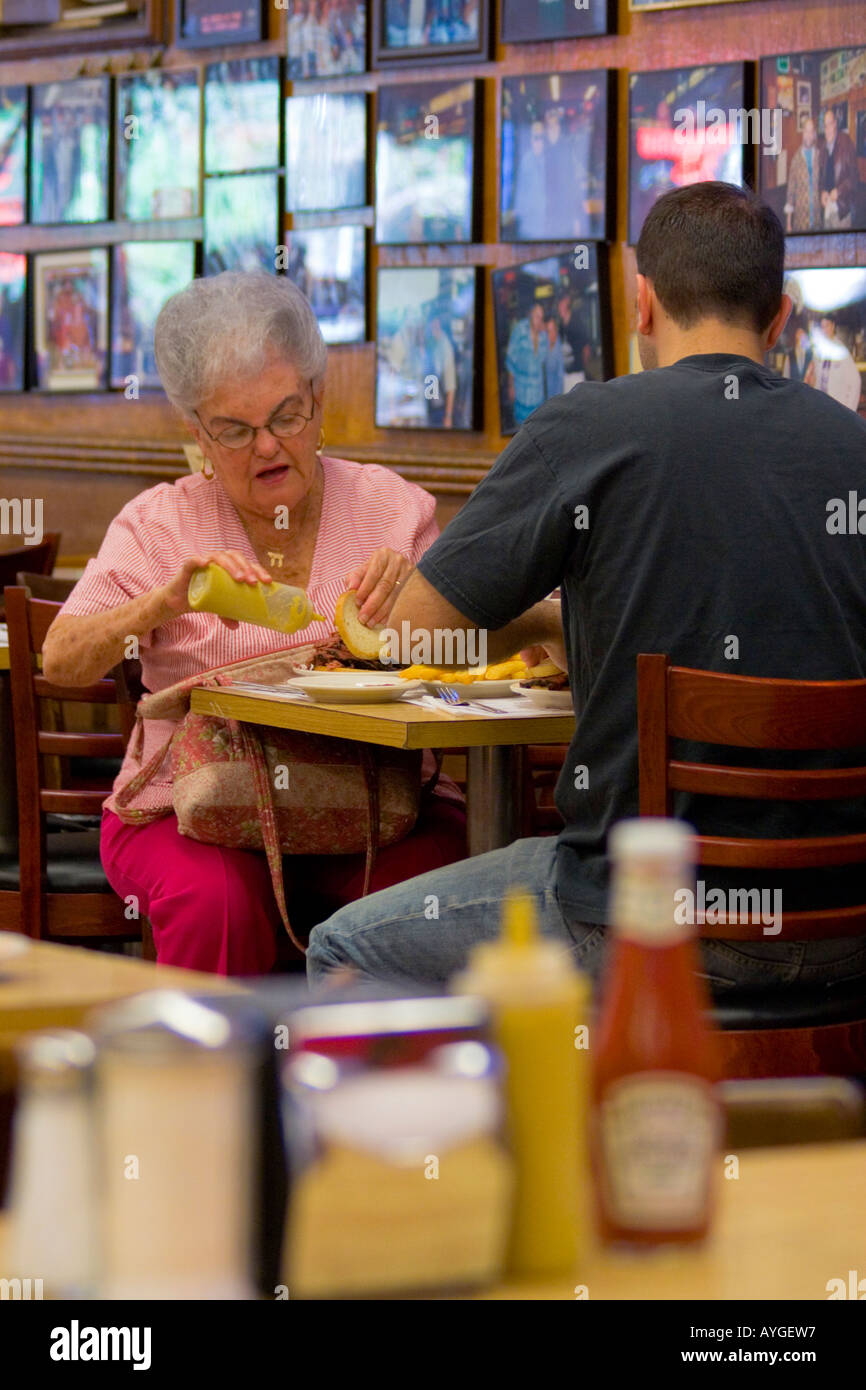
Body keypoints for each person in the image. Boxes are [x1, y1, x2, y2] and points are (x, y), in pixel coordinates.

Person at [307, 182, 866, 997]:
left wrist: (538, 614)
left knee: (341, 950)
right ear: (779, 318)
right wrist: (577, 628)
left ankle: (531, 1122)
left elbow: (409, 636)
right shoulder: (851, 444)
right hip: (846, 924)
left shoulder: (588, 430)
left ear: (641, 303)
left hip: (642, 920)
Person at [42, 271, 466, 975]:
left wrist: (419, 619)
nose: (267, 446)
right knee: (221, 906)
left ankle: (361, 1078)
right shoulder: (158, 524)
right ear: (197, 434)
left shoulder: (393, 511)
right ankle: (218, 1080)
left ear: (319, 400)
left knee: (421, 895)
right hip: (191, 808)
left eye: (286, 416)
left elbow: (472, 664)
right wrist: (162, 604)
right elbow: (61, 660)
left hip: (377, 802)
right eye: (235, 431)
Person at [806, 314, 863, 412]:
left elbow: (855, 382)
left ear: (833, 326)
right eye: (822, 327)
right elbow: (815, 380)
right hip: (821, 407)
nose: (824, 330)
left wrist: (849, 410)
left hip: (838, 408)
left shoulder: (842, 351)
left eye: (827, 326)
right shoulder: (818, 353)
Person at [505, 301, 548, 427]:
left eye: (541, 317)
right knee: (520, 431)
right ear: (530, 315)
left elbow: (543, 360)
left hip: (537, 395)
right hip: (521, 391)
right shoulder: (519, 330)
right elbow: (510, 361)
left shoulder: (543, 335)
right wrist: (510, 386)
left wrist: (544, 332)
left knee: (536, 428)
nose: (538, 320)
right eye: (536, 316)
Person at [784, 116, 825, 232]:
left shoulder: (820, 156)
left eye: (811, 131)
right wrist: (788, 223)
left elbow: (824, 182)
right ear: (803, 133)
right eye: (806, 131)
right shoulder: (796, 160)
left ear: (814, 134)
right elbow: (790, 191)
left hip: (817, 219)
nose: (808, 135)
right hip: (800, 221)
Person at [820, 107, 858, 230]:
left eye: (830, 124)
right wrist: (823, 191)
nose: (828, 130)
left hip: (842, 208)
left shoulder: (846, 143)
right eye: (825, 126)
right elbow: (823, 177)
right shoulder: (823, 148)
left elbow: (854, 178)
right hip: (828, 207)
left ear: (835, 124)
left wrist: (839, 191)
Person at [511, 120, 549, 240]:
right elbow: (520, 194)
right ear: (531, 139)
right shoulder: (525, 162)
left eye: (541, 138)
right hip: (529, 228)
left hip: (547, 228)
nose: (538, 142)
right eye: (535, 138)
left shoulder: (551, 160)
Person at [544, 316, 565, 398]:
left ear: (556, 330)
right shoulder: (544, 345)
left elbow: (560, 379)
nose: (552, 334)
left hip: (553, 396)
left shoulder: (559, 349)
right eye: (549, 331)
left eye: (553, 330)